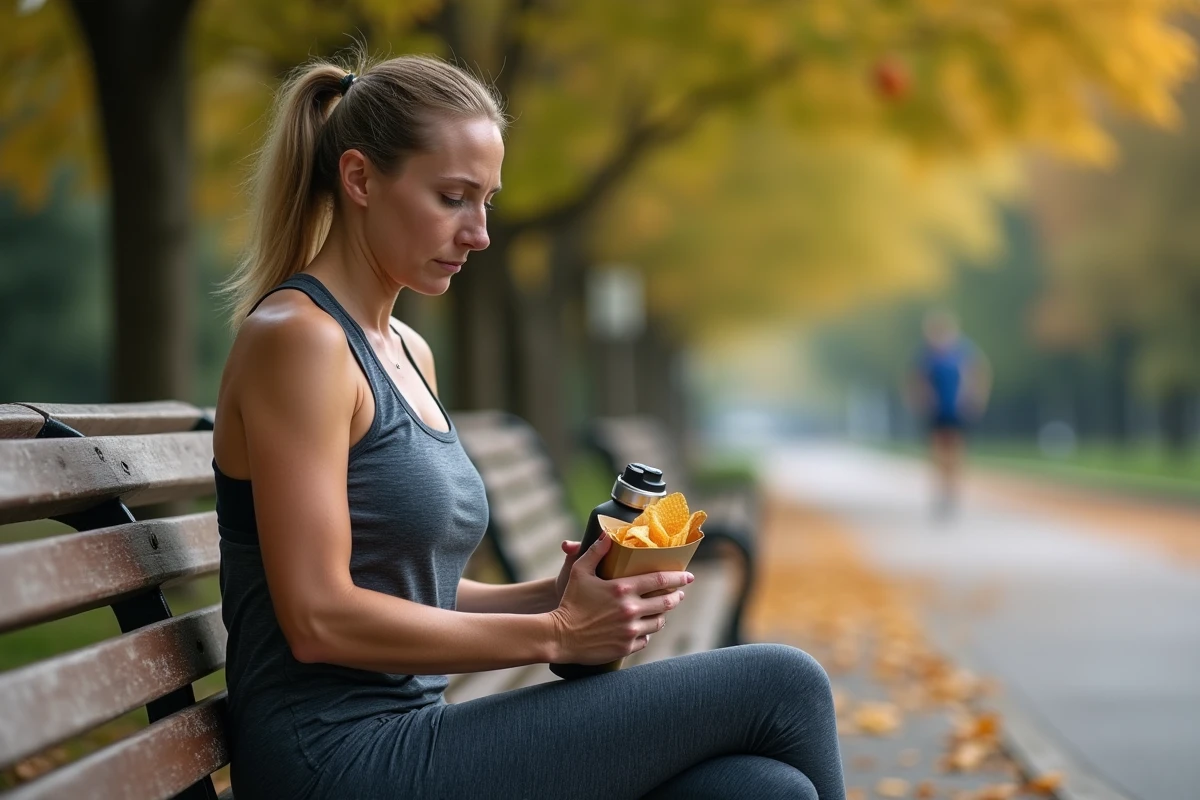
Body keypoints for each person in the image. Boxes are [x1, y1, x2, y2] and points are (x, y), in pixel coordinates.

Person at [212, 53, 846, 800]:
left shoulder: (408, 350)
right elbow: (318, 616)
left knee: (761, 791)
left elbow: (412, 592)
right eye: (453, 198)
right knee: (786, 683)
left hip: (413, 733)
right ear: (359, 179)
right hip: (336, 763)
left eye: (486, 201)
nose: (478, 233)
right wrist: (556, 634)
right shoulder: (300, 341)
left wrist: (554, 594)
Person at [907, 310, 992, 520]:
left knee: (955, 451)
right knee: (937, 451)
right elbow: (916, 380)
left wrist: (976, 400)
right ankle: (942, 490)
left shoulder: (964, 351)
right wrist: (920, 401)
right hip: (935, 411)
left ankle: (952, 491)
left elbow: (979, 374)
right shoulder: (926, 355)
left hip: (958, 410)